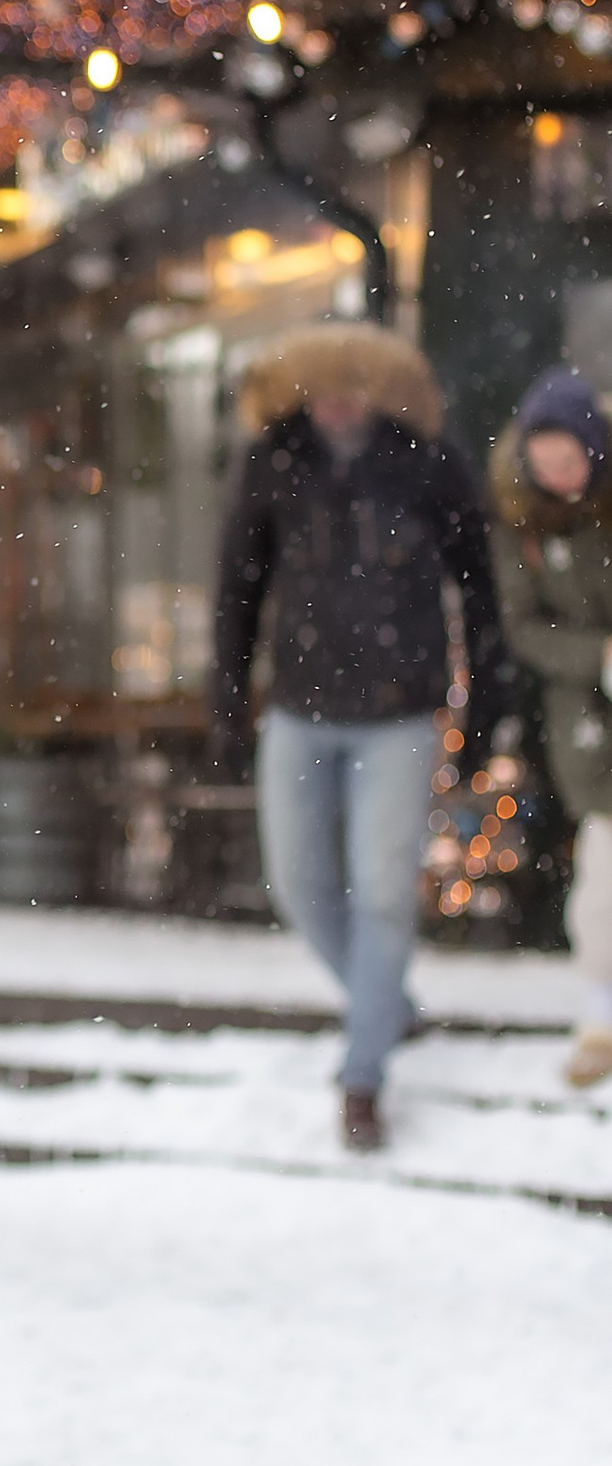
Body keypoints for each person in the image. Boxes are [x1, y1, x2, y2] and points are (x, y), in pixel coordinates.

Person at [211, 324, 506, 1149]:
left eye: (353, 384)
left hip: (399, 715)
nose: (338, 398)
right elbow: (237, 586)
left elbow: (479, 593)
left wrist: (480, 711)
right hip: (299, 710)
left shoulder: (428, 464)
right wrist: (227, 699)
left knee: (382, 892)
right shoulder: (273, 461)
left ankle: (362, 1076)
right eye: (322, 385)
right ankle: (389, 1010)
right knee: (299, 885)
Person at [488, 364, 612, 1086]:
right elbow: (522, 625)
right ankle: (600, 1016)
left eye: (570, 460)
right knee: (604, 869)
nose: (558, 474)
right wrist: (594, 657)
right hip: (584, 710)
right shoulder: (520, 521)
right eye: (546, 462)